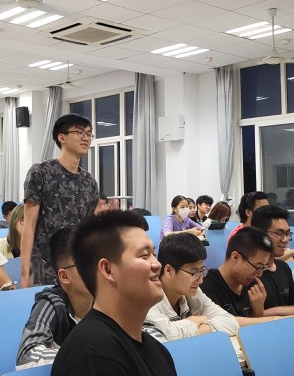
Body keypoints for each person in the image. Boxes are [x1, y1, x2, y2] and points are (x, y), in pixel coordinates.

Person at [50, 211, 176, 376]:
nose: (157, 264)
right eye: (144, 256)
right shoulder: (92, 354)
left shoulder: (157, 350)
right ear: (108, 270)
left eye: (154, 254)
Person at [21, 113, 99, 287]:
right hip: (44, 264)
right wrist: (26, 273)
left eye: (89, 133)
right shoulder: (40, 172)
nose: (86, 138)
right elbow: (29, 225)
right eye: (79, 132)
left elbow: (86, 231)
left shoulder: (89, 182)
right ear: (61, 137)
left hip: (76, 263)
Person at [16, 226, 93, 369]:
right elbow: (27, 356)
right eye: (87, 264)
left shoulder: (108, 300)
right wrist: (87, 356)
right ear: (64, 276)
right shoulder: (51, 304)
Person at [146, 233, 239, 340]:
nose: (200, 280)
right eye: (194, 273)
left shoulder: (193, 292)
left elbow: (230, 322)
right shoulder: (147, 300)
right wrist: (196, 320)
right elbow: (166, 337)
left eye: (201, 271)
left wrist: (196, 329)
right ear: (169, 271)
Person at [201, 227, 283, 325]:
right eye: (257, 267)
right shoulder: (206, 284)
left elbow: (257, 328)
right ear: (236, 257)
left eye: (263, 267)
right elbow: (222, 325)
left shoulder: (254, 287)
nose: (260, 274)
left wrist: (258, 311)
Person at [251, 206, 294, 316]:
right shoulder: (249, 273)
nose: (285, 239)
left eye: (287, 234)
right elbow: (245, 319)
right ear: (260, 234)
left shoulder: (283, 267)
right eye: (279, 233)